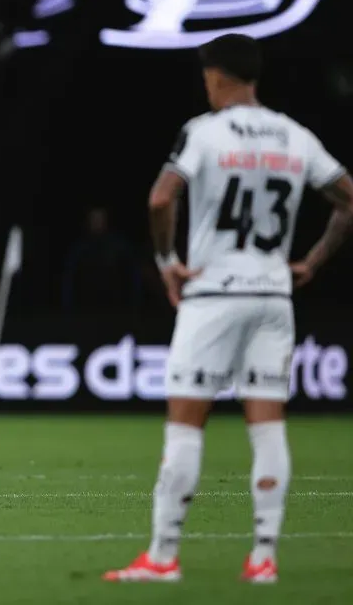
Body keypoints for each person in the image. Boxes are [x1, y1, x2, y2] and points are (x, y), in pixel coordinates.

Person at [104, 34, 353, 583]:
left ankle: (163, 557)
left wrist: (168, 259)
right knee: (268, 427)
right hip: (273, 297)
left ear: (214, 76)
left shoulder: (205, 131)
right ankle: (264, 558)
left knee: (186, 426)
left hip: (214, 294)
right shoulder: (296, 135)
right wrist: (311, 261)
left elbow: (161, 197)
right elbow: (347, 198)